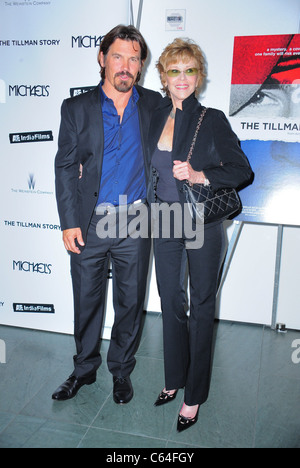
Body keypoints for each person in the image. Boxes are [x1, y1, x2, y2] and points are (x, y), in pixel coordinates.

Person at [53, 25, 162, 404]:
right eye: (118, 56)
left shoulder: (154, 106)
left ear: (141, 65)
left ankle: (121, 371)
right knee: (86, 300)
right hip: (90, 221)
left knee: (130, 303)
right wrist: (68, 220)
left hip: (135, 221)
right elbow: (66, 165)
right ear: (102, 59)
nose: (126, 66)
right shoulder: (77, 108)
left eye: (134, 59)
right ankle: (83, 369)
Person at [149, 38, 253, 432]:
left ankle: (194, 395)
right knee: (171, 300)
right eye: (174, 70)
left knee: (201, 305)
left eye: (189, 70)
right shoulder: (152, 114)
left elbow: (241, 169)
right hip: (163, 220)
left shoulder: (211, 118)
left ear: (199, 76)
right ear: (163, 75)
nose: (182, 78)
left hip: (202, 224)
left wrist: (199, 175)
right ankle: (174, 378)